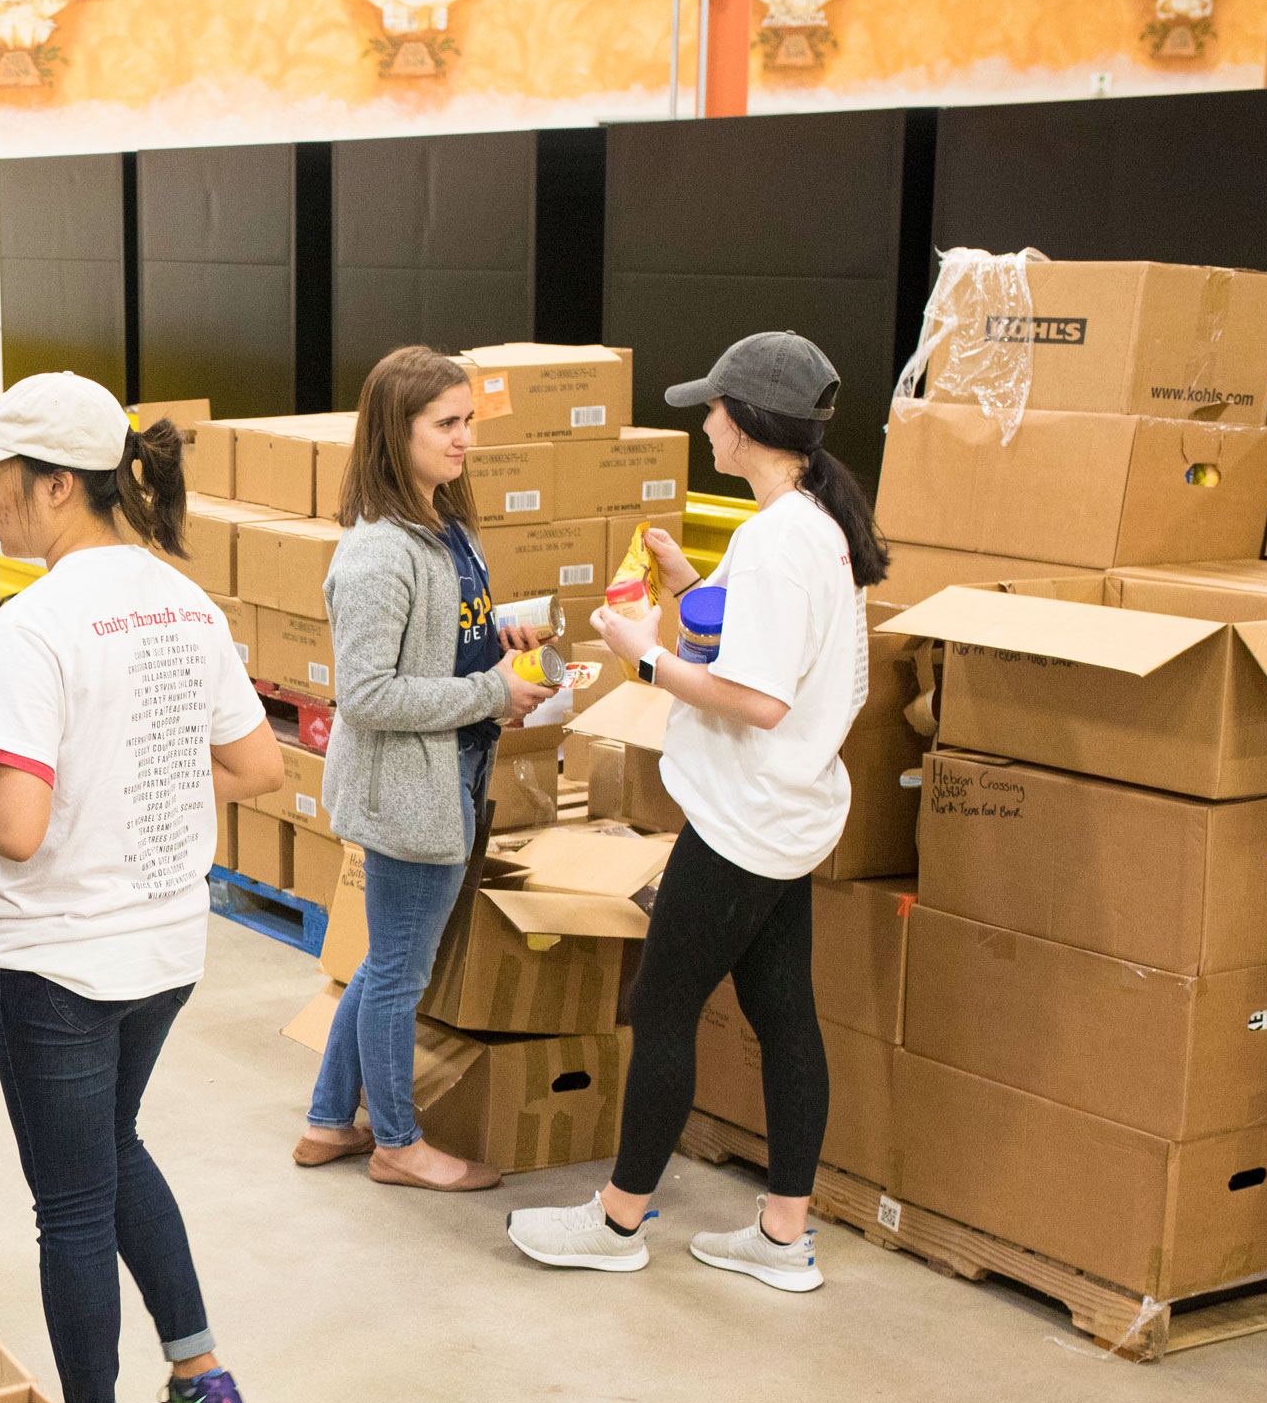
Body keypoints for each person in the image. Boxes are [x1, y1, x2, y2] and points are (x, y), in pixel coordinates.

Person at [0, 372, 283, 1403]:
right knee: (113, 1148)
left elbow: (16, 826)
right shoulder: (184, 600)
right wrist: (134, 780)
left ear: (55, 486)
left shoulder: (33, 624)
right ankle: (199, 1374)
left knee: (69, 1205)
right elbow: (256, 764)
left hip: (60, 962)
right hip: (166, 947)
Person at [506, 331, 889, 1293]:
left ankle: (618, 1219)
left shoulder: (774, 543)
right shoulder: (813, 523)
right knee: (783, 1011)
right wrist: (685, 586)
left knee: (662, 1007)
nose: (706, 423)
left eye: (714, 409)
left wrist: (641, 654)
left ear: (748, 422)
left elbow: (756, 697)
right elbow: (769, 647)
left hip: (742, 820)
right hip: (791, 811)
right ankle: (783, 1235)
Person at [296, 347, 557, 1192]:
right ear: (394, 431)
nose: (465, 438)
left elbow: (437, 637)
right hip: (410, 791)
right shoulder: (379, 553)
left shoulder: (444, 525)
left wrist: (496, 635)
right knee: (399, 975)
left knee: (388, 960)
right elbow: (369, 694)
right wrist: (492, 692)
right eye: (446, 424)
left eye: (469, 420)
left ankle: (328, 1121)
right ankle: (397, 1142)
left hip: (448, 774)